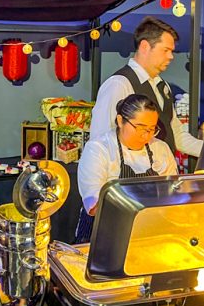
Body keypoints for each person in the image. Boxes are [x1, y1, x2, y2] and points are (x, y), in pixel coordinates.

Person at [89, 16, 202, 157]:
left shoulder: (163, 87)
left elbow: (177, 136)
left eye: (171, 51)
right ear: (144, 47)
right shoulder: (119, 84)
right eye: (166, 50)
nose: (171, 56)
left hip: (164, 169)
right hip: (133, 171)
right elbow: (100, 141)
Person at [75, 94, 177, 243]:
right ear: (120, 120)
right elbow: (94, 206)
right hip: (103, 237)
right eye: (140, 128)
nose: (146, 136)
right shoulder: (98, 149)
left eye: (152, 129)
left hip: (148, 235)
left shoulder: (160, 148)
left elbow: (173, 193)